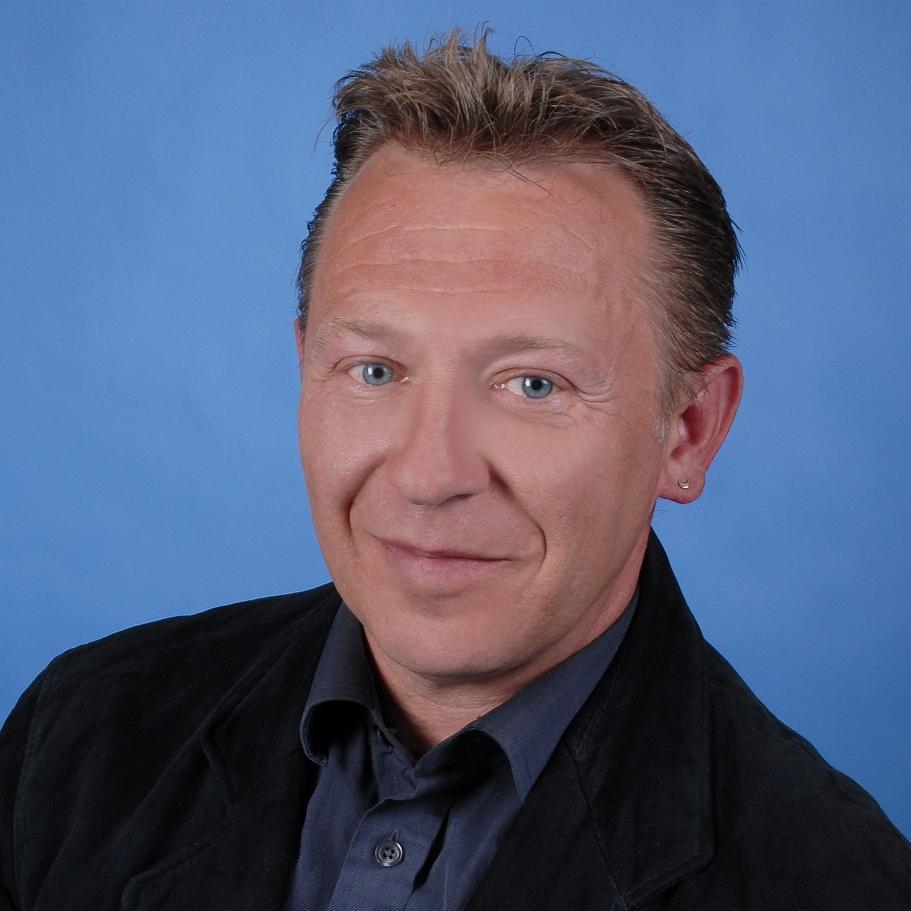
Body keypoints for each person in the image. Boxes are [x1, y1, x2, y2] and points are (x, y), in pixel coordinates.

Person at [1, 28, 908, 911]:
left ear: (688, 431)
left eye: (533, 384)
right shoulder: (76, 737)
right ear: (304, 369)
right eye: (374, 370)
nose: (430, 475)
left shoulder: (835, 882)